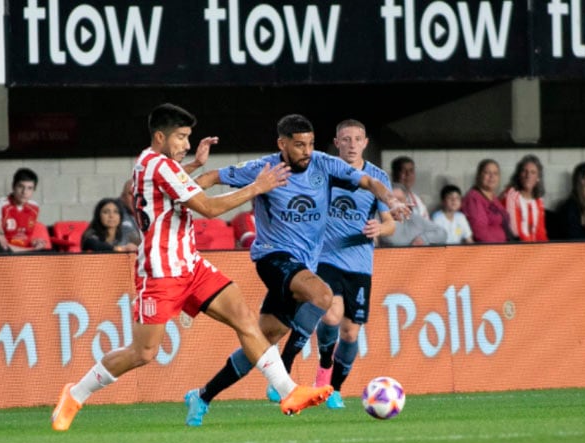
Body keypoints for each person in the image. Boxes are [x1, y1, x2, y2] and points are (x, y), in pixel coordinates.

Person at [50, 103, 330, 431]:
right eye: (181, 138)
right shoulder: (161, 167)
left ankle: (289, 392)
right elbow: (209, 208)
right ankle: (75, 394)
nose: (186, 144)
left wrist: (195, 164)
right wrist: (257, 187)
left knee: (244, 318)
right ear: (159, 136)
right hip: (160, 272)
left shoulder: (148, 162)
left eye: (188, 137)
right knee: (143, 352)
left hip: (192, 266)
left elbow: (172, 185)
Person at [183, 114, 409, 426]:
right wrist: (179, 193)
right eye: (299, 145)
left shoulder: (324, 164)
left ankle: (202, 395)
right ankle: (286, 371)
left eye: (311, 143)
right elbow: (213, 177)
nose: (306, 150)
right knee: (322, 294)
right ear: (282, 144)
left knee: (259, 342)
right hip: (272, 257)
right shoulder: (264, 168)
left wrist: (392, 203)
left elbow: (369, 182)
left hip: (303, 265)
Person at [290, 119, 396, 409]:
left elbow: (390, 225)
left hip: (360, 265)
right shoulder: (325, 172)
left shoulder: (377, 178)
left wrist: (379, 229)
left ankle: (333, 389)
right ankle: (324, 368)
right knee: (331, 316)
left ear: (365, 143)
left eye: (357, 139)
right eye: (345, 139)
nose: (351, 144)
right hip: (326, 257)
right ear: (336, 143)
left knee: (350, 333)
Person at [0, 167, 45, 251]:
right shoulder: (0, 204)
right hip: (5, 253)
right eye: (21, 186)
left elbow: (28, 236)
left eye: (29, 188)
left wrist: (36, 242)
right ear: (13, 186)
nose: (24, 192)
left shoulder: (35, 207)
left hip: (26, 253)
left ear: (34, 190)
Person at [499, 154, 548, 242]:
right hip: (516, 247)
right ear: (519, 175)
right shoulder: (511, 195)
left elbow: (540, 232)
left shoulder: (538, 200)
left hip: (532, 249)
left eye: (533, 172)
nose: (528, 176)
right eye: (524, 171)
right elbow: (515, 232)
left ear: (538, 178)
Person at [380, 183, 447, 246]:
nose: (397, 204)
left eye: (400, 200)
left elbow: (442, 233)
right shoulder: (379, 219)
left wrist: (423, 239)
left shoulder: (415, 219)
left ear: (406, 202)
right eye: (393, 200)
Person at [461, 159, 511, 243]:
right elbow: (480, 233)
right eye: (487, 173)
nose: (492, 176)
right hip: (488, 251)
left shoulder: (493, 198)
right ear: (479, 176)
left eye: (495, 173)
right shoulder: (473, 199)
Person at [117, 179, 142, 247]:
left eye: (138, 194)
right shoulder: (115, 212)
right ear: (123, 197)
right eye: (131, 194)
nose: (134, 198)